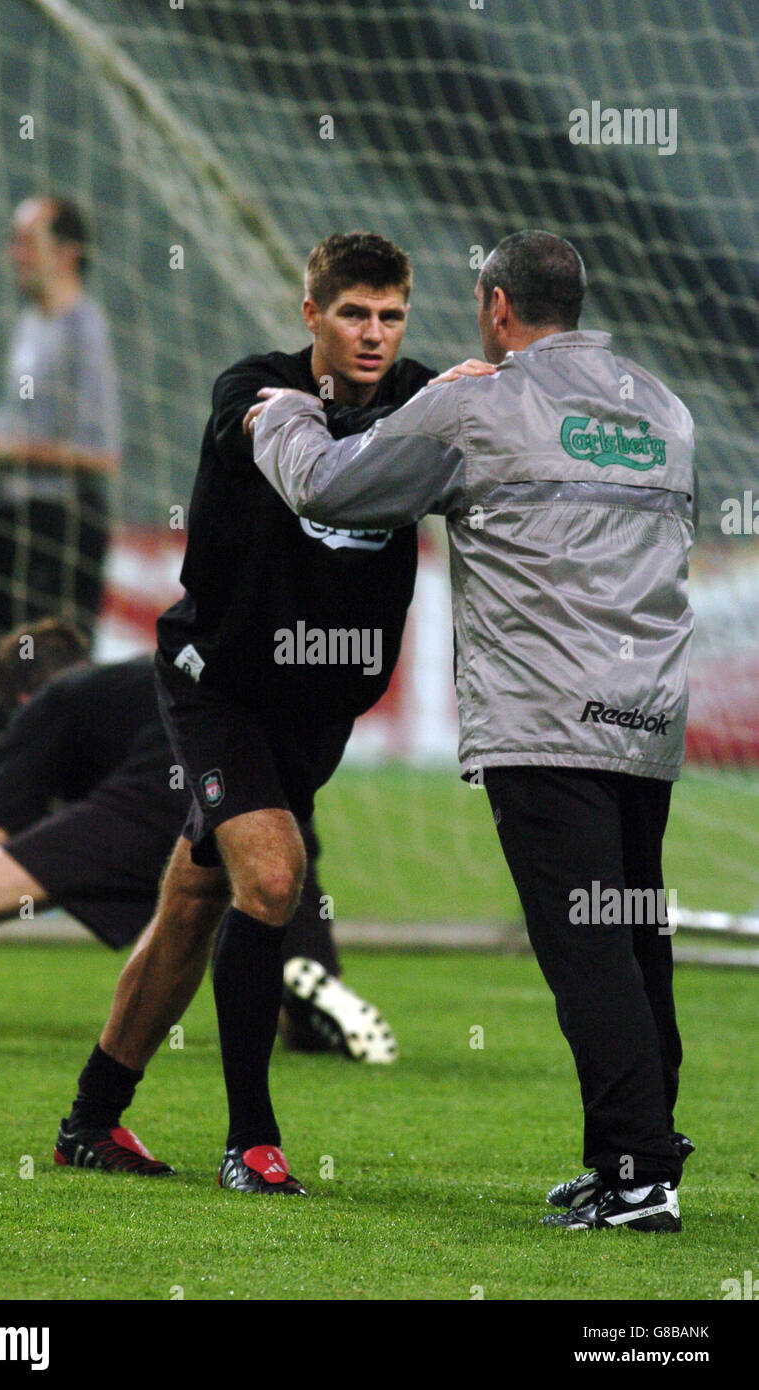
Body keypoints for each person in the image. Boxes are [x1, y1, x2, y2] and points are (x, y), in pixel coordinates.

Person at [251, 229, 697, 1231]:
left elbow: (332, 486)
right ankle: (637, 1151)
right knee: (633, 938)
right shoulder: (665, 409)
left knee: (587, 949)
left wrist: (283, 418)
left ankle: (636, 1175)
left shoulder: (480, 401)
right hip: (648, 721)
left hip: (545, 723)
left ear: (498, 308)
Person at [55, 232, 488, 1195]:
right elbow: (280, 444)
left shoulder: (426, 394)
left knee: (193, 902)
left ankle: (90, 1120)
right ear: (311, 315)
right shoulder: (254, 389)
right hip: (220, 686)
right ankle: (249, 1143)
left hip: (315, 708)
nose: (373, 334)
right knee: (272, 880)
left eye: (389, 315)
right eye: (351, 314)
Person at [0, 619, 392, 1080]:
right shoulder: (142, 674)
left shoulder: (51, 701)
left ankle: (111, 1089)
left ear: (24, 696)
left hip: (142, 807)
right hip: (245, 796)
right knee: (274, 936)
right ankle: (304, 987)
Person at [0, 196, 121, 782]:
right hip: (13, 521)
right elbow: (17, 437)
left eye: (26, 241)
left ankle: (61, 839)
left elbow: (104, 453)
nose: (13, 254)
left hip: (61, 526)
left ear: (66, 254)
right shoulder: (29, 326)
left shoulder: (83, 329)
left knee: (49, 690)